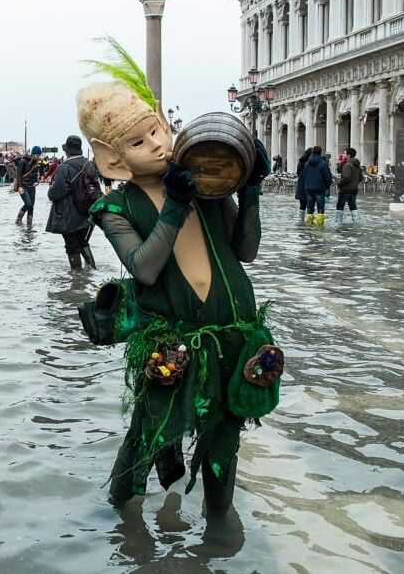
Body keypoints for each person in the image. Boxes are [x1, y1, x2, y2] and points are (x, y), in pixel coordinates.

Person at [77, 40, 275, 523]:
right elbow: (144, 267)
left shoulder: (207, 185)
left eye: (158, 131)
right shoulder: (116, 207)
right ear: (113, 160)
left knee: (223, 439)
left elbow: (245, 250)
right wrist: (175, 206)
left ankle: (220, 526)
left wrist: (248, 192)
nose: (161, 146)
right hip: (172, 343)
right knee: (150, 430)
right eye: (140, 142)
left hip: (233, 334)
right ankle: (122, 516)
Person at [46, 135, 97, 269]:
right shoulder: (89, 165)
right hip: (87, 212)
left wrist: (50, 192)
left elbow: (57, 192)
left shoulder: (64, 167)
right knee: (83, 242)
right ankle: (92, 270)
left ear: (67, 151)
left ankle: (76, 279)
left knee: (72, 246)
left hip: (69, 214)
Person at [301, 145, 333, 225]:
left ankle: (309, 224)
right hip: (319, 189)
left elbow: (303, 176)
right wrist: (326, 187)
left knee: (309, 208)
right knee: (320, 208)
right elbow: (328, 177)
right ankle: (320, 226)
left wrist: (307, 185)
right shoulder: (323, 163)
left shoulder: (307, 163)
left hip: (309, 188)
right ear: (320, 152)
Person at [13, 145, 43, 226]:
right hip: (23, 186)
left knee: (31, 206)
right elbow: (18, 175)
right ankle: (18, 219)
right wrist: (20, 186)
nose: (38, 157)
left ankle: (29, 224)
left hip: (32, 187)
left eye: (39, 155)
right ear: (33, 154)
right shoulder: (23, 161)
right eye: (37, 155)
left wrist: (37, 181)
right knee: (28, 203)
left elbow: (36, 175)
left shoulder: (36, 163)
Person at [335, 147, 363, 224]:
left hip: (345, 189)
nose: (343, 155)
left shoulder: (348, 165)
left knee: (340, 206)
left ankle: (338, 222)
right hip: (354, 189)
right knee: (353, 206)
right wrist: (354, 183)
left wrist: (339, 184)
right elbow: (361, 177)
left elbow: (346, 177)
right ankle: (356, 221)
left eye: (344, 153)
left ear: (349, 155)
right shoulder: (357, 165)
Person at [294, 148, 311, 223]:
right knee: (310, 205)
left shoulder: (301, 162)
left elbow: (298, 173)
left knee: (302, 205)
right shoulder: (309, 163)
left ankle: (301, 220)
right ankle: (309, 220)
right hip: (309, 185)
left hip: (301, 185)